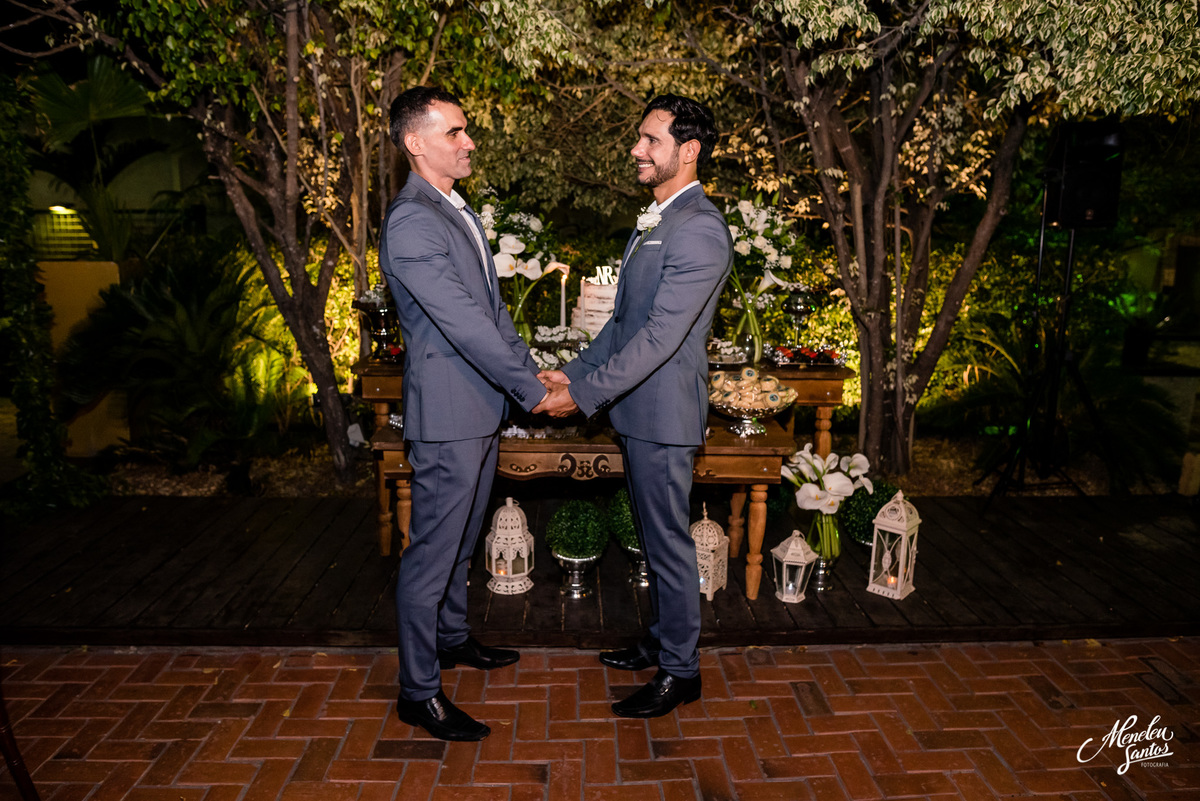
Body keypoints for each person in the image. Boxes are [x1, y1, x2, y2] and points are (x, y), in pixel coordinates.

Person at [534, 94, 732, 718]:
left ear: (689, 151)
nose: (637, 150)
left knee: (667, 543)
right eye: (640, 138)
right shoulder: (655, 221)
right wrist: (569, 373)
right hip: (636, 412)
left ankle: (682, 670)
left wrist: (582, 398)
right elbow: (622, 326)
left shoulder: (699, 228)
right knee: (651, 535)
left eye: (651, 140)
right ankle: (661, 638)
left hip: (665, 414)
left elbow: (659, 338)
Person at [379, 86, 549, 741]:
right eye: (454, 131)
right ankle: (417, 691)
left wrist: (527, 373)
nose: (468, 141)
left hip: (479, 410)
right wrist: (534, 392)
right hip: (449, 414)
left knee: (458, 544)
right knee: (430, 555)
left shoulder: (456, 209)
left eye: (466, 129)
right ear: (415, 142)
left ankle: (451, 638)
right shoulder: (413, 220)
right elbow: (462, 326)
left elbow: (494, 314)